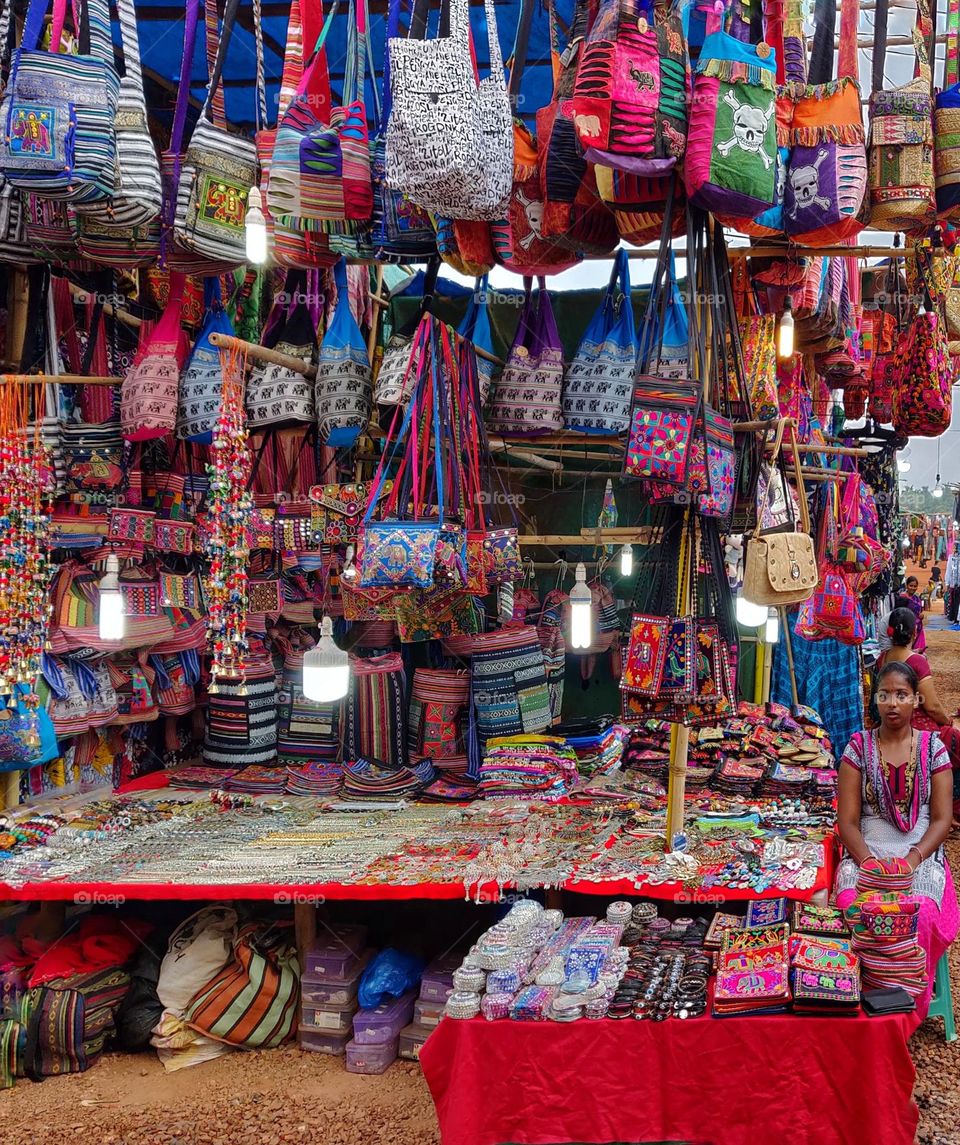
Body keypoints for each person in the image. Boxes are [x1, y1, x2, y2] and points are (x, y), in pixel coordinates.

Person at [836, 661, 959, 1017]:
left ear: (917, 700)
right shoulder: (858, 747)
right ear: (874, 699)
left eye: (901, 695)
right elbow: (847, 821)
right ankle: (861, 1002)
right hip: (867, 848)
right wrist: (868, 862)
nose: (893, 703)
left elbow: (942, 819)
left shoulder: (933, 749)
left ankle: (905, 1008)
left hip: (918, 850)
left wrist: (912, 860)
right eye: (884, 694)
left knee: (919, 916)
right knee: (851, 905)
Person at [903, 576, 927, 652]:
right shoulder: (902, 597)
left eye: (915, 586)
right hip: (907, 628)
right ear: (906, 585)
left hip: (918, 628)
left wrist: (921, 616)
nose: (913, 588)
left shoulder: (916, 598)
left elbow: (919, 611)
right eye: (911, 585)